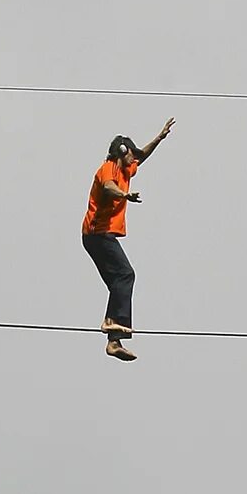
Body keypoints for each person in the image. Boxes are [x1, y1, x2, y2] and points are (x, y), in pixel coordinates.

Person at [81, 118, 175, 360]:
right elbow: (109, 188)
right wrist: (125, 195)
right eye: (131, 156)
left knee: (118, 283)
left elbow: (141, 156)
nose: (135, 161)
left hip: (102, 236)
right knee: (125, 275)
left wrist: (159, 138)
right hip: (96, 234)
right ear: (122, 152)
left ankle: (114, 341)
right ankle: (112, 321)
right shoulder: (108, 169)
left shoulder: (126, 166)